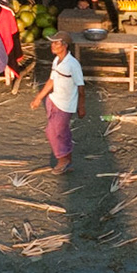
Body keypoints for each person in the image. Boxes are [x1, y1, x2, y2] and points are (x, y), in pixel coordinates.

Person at [30, 32, 85, 172]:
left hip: (66, 105)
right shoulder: (56, 61)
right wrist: (39, 98)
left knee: (52, 131)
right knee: (62, 132)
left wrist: (81, 106)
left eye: (57, 43)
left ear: (65, 46)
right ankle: (68, 161)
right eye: (52, 43)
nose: (53, 46)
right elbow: (51, 80)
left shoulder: (73, 64)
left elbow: (81, 87)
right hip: (53, 100)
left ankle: (62, 159)